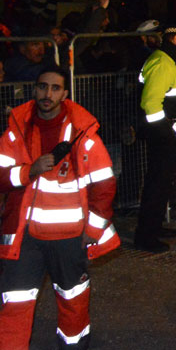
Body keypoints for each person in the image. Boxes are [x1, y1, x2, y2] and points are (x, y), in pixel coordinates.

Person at [0, 68, 119, 347]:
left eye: (55, 89)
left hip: (69, 238)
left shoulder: (81, 132)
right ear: (34, 90)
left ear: (65, 94)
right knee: (14, 303)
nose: (47, 94)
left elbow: (104, 184)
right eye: (43, 87)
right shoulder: (17, 129)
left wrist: (93, 228)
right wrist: (29, 171)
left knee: (73, 301)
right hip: (24, 237)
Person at [136, 26, 176, 252]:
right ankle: (146, 237)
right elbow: (151, 105)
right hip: (161, 134)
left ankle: (154, 226)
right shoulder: (163, 63)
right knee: (157, 183)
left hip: (162, 133)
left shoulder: (164, 60)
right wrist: (167, 129)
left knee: (162, 182)